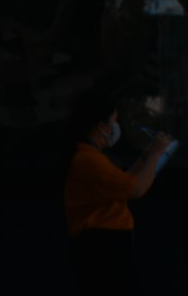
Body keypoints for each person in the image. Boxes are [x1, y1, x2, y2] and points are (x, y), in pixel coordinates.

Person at [64, 86, 173, 293]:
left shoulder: (89, 157)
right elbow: (136, 189)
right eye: (114, 121)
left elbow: (123, 184)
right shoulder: (88, 160)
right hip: (102, 248)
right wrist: (157, 153)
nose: (116, 126)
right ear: (102, 126)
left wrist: (146, 157)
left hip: (103, 246)